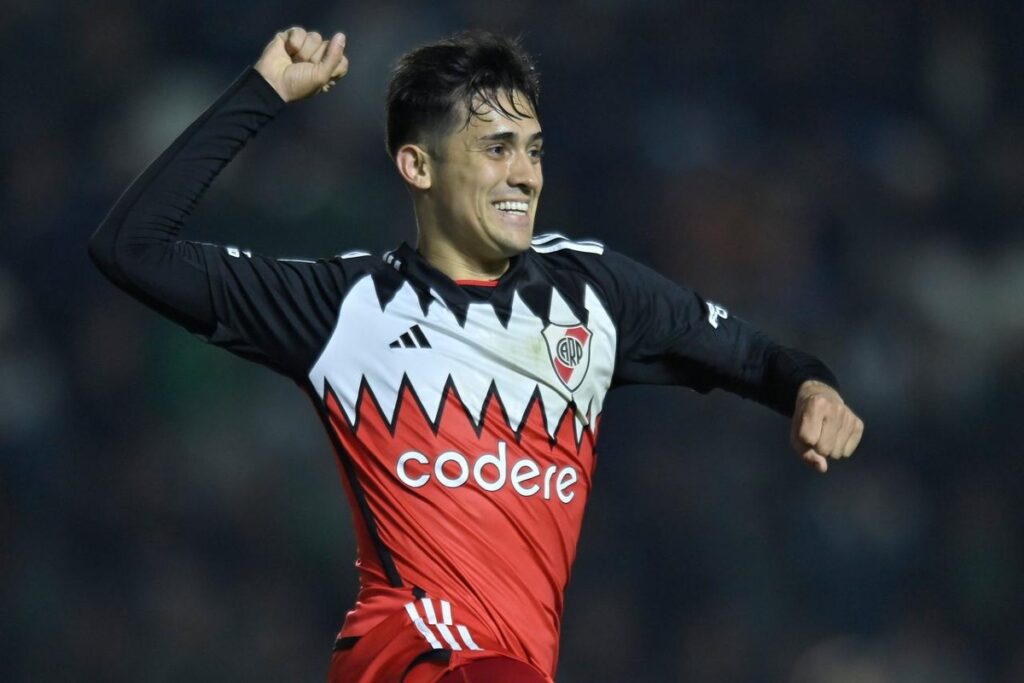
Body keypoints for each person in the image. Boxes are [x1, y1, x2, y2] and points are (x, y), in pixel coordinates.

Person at [89, 25, 864, 683]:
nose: (524, 172)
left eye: (532, 148)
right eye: (496, 148)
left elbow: (760, 358)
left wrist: (813, 390)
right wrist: (261, 92)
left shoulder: (594, 295)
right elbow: (132, 247)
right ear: (418, 166)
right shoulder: (346, 307)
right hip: (404, 655)